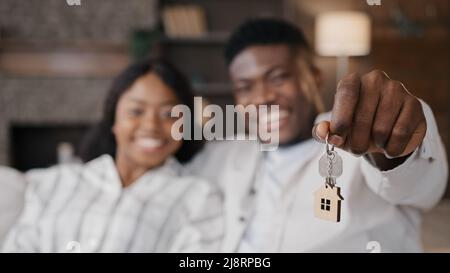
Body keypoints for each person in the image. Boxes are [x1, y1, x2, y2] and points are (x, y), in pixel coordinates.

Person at [186, 18, 448, 252]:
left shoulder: (354, 131)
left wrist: (395, 149)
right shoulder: (227, 152)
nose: (262, 98)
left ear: (314, 77)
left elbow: (423, 186)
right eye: (245, 87)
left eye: (278, 78)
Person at [3, 59, 223, 253]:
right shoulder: (55, 182)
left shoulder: (198, 197)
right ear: (114, 121)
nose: (151, 126)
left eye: (169, 114)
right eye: (136, 111)